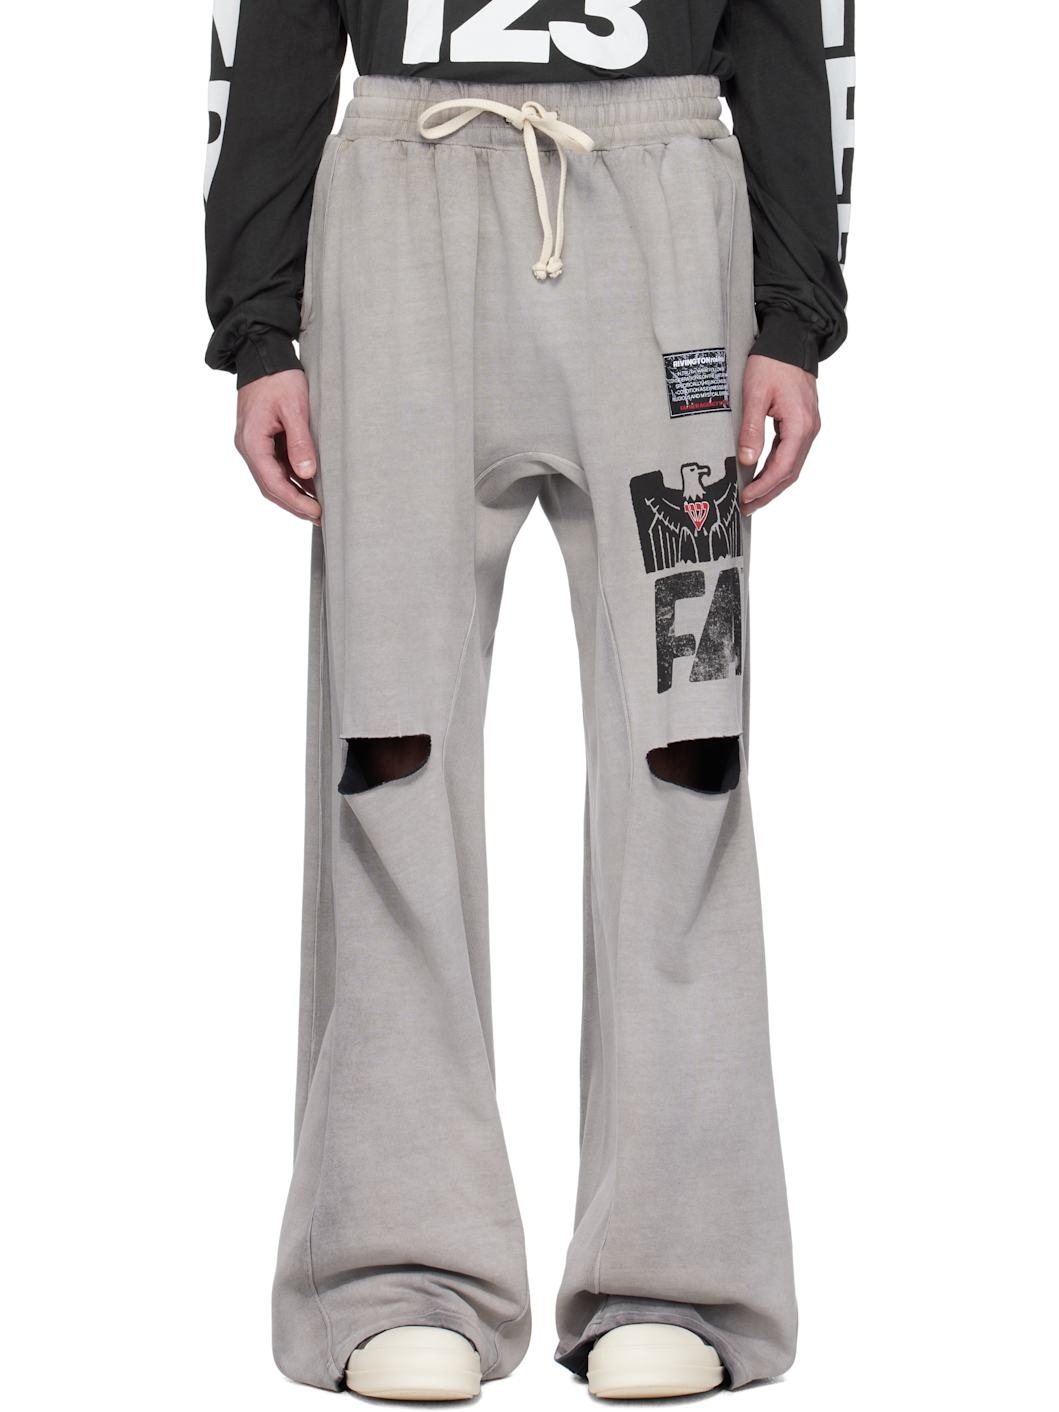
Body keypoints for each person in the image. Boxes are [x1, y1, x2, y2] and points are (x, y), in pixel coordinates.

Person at [204, 1, 854, 1401]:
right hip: (401, 206)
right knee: (388, 748)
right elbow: (273, 21)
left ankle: (679, 1275)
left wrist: (797, 311)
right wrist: (259, 324)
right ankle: (397, 1269)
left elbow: (794, 24)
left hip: (667, 216)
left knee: (686, 751)